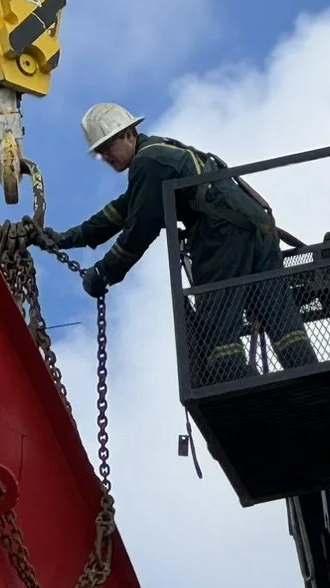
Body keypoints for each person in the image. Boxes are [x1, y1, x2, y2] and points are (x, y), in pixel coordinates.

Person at [38, 104, 313, 382]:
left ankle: (237, 383)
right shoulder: (158, 154)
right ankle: (309, 376)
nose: (106, 155)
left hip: (220, 234)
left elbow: (140, 229)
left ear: (130, 134)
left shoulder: (148, 163)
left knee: (219, 323)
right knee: (277, 312)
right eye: (100, 151)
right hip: (258, 225)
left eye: (109, 145)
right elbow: (122, 211)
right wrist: (67, 239)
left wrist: (104, 272)